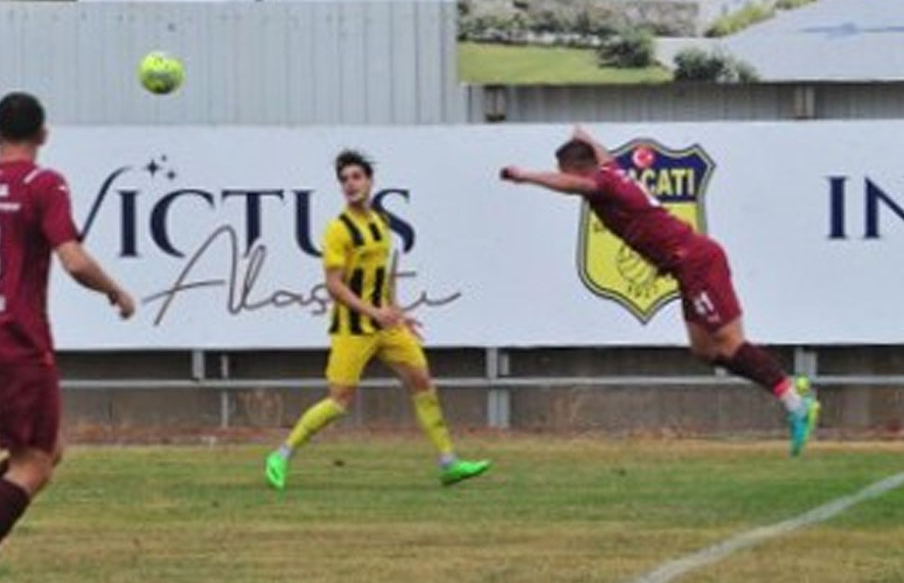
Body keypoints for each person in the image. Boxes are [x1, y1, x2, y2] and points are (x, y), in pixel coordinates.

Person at [500, 127, 820, 456]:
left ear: (578, 170)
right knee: (705, 350)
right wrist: (590, 137)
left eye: (562, 172)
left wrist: (525, 176)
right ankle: (790, 387)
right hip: (688, 266)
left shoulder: (602, 183)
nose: (560, 177)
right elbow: (603, 156)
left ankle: (795, 402)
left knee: (728, 341)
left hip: (696, 262)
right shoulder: (611, 171)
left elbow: (575, 185)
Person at [264, 150, 489, 489]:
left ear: (370, 181)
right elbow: (334, 286)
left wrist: (396, 312)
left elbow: (383, 275)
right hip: (352, 329)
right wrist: (375, 313)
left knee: (423, 382)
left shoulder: (381, 222)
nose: (350, 185)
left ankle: (448, 462)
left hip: (386, 324)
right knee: (339, 402)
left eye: (356, 177)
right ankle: (280, 455)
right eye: (344, 180)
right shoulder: (338, 230)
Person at [0, 91, 136, 549]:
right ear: (42, 133)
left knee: (48, 450)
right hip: (17, 343)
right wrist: (115, 290)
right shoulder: (44, 184)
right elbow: (74, 261)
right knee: (34, 464)